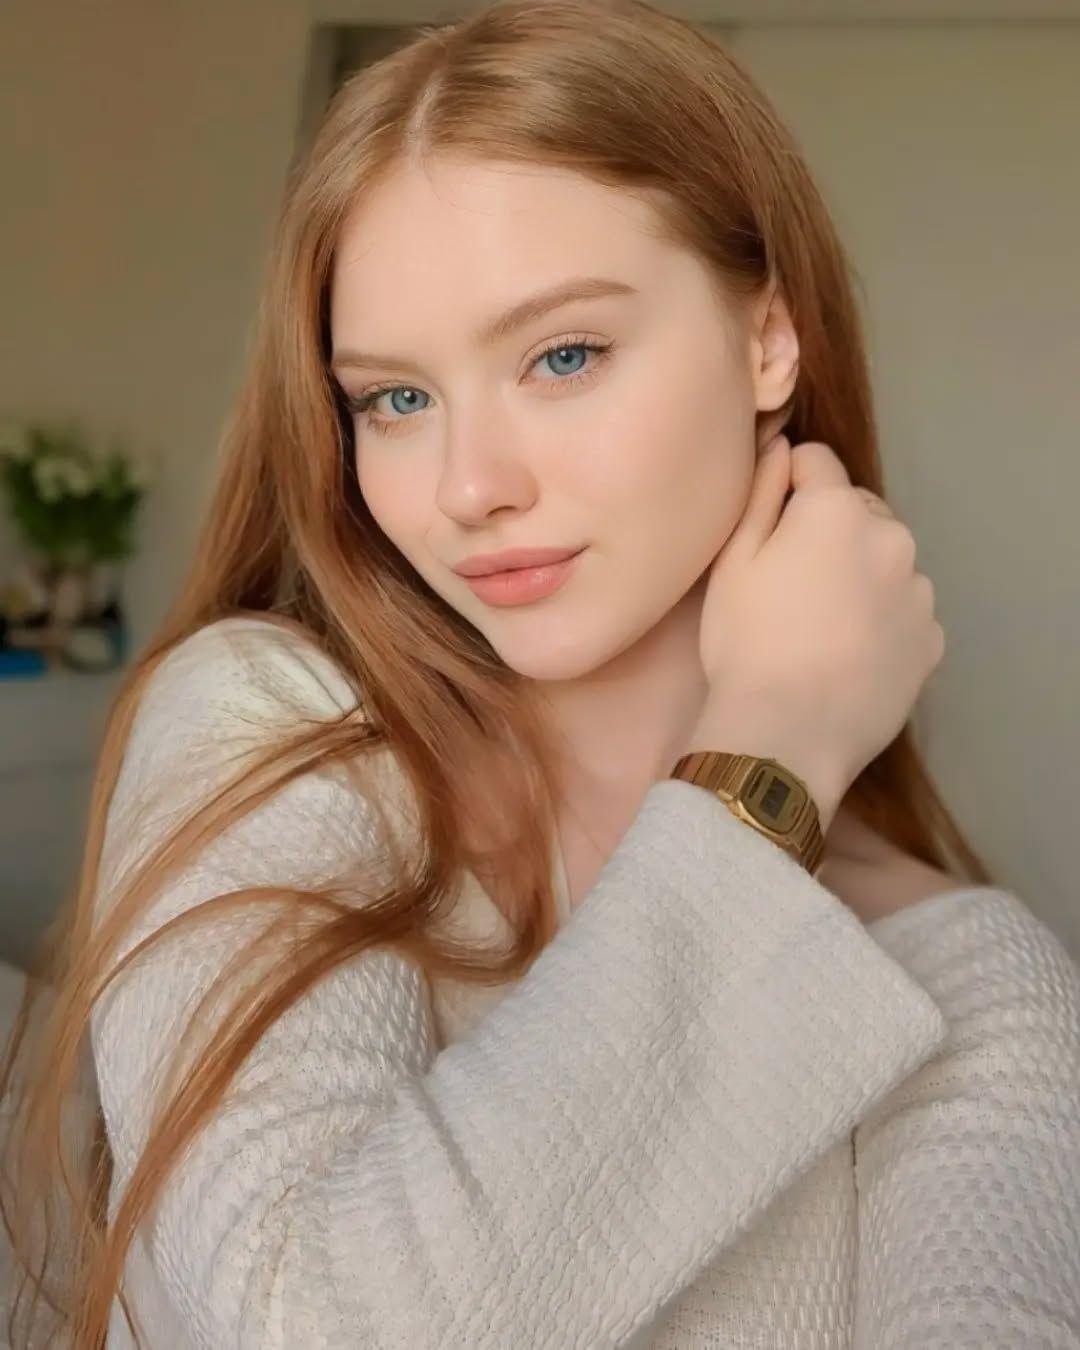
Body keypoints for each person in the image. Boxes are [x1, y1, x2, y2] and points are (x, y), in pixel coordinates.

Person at [2, 1, 1078, 1346]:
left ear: (768, 341)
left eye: (563, 355)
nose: (468, 486)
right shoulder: (268, 728)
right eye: (395, 398)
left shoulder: (969, 978)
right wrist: (775, 757)